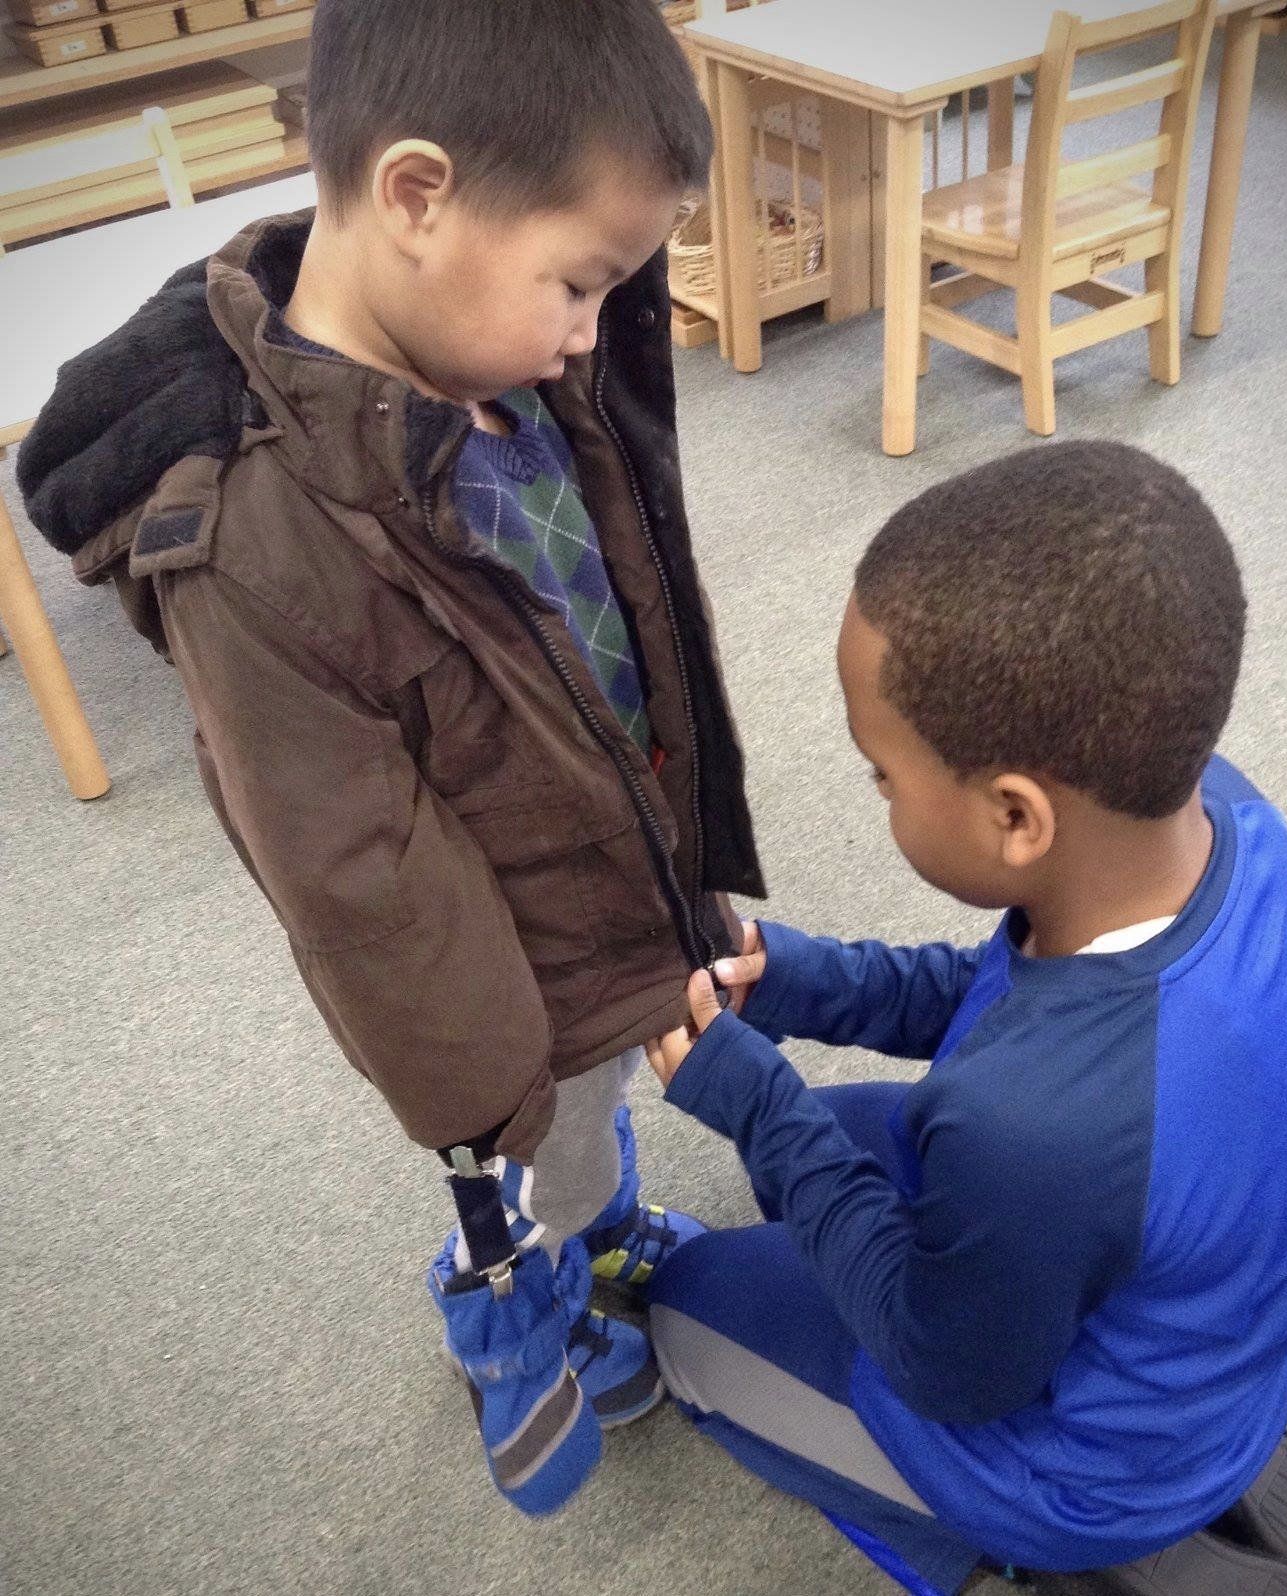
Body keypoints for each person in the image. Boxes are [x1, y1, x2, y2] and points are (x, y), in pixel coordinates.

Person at [18, 0, 763, 1516]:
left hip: (610, 838)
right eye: (578, 281)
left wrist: (687, 863)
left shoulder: (514, 358)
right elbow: (356, 879)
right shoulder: (252, 544)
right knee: (552, 1119)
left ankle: (592, 1216)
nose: (587, 327)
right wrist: (482, 1094)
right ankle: (508, 1260)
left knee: (605, 1092)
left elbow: (627, 584)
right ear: (419, 196)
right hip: (495, 963)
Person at [644, 443, 1287, 1595]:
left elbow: (949, 1369)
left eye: (880, 775)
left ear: (1018, 816)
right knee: (860, 1146)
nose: (873, 792)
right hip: (1197, 1333)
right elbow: (1007, 993)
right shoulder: (1229, 820)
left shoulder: (1036, 1133)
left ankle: (971, 1553)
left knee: (687, 1313)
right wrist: (812, 982)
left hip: (1071, 1477)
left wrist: (761, 1113)